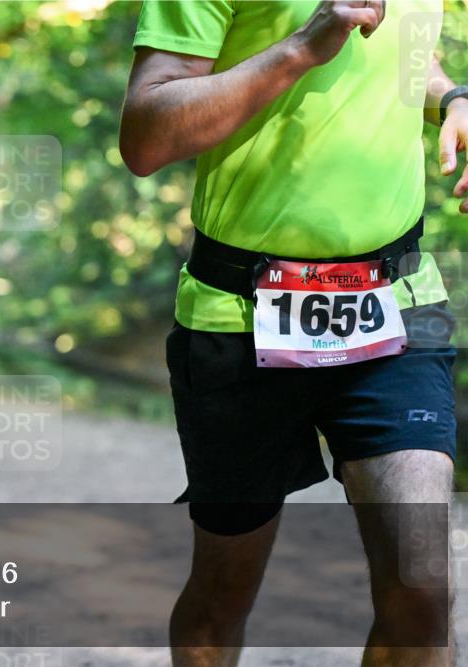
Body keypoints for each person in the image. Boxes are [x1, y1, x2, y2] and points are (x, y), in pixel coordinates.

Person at [120, 2, 467, 666]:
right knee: (223, 592)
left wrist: (453, 97)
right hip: (239, 315)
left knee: (422, 589)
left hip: (394, 304)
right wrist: (301, 47)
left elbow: (401, 52)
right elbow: (145, 137)